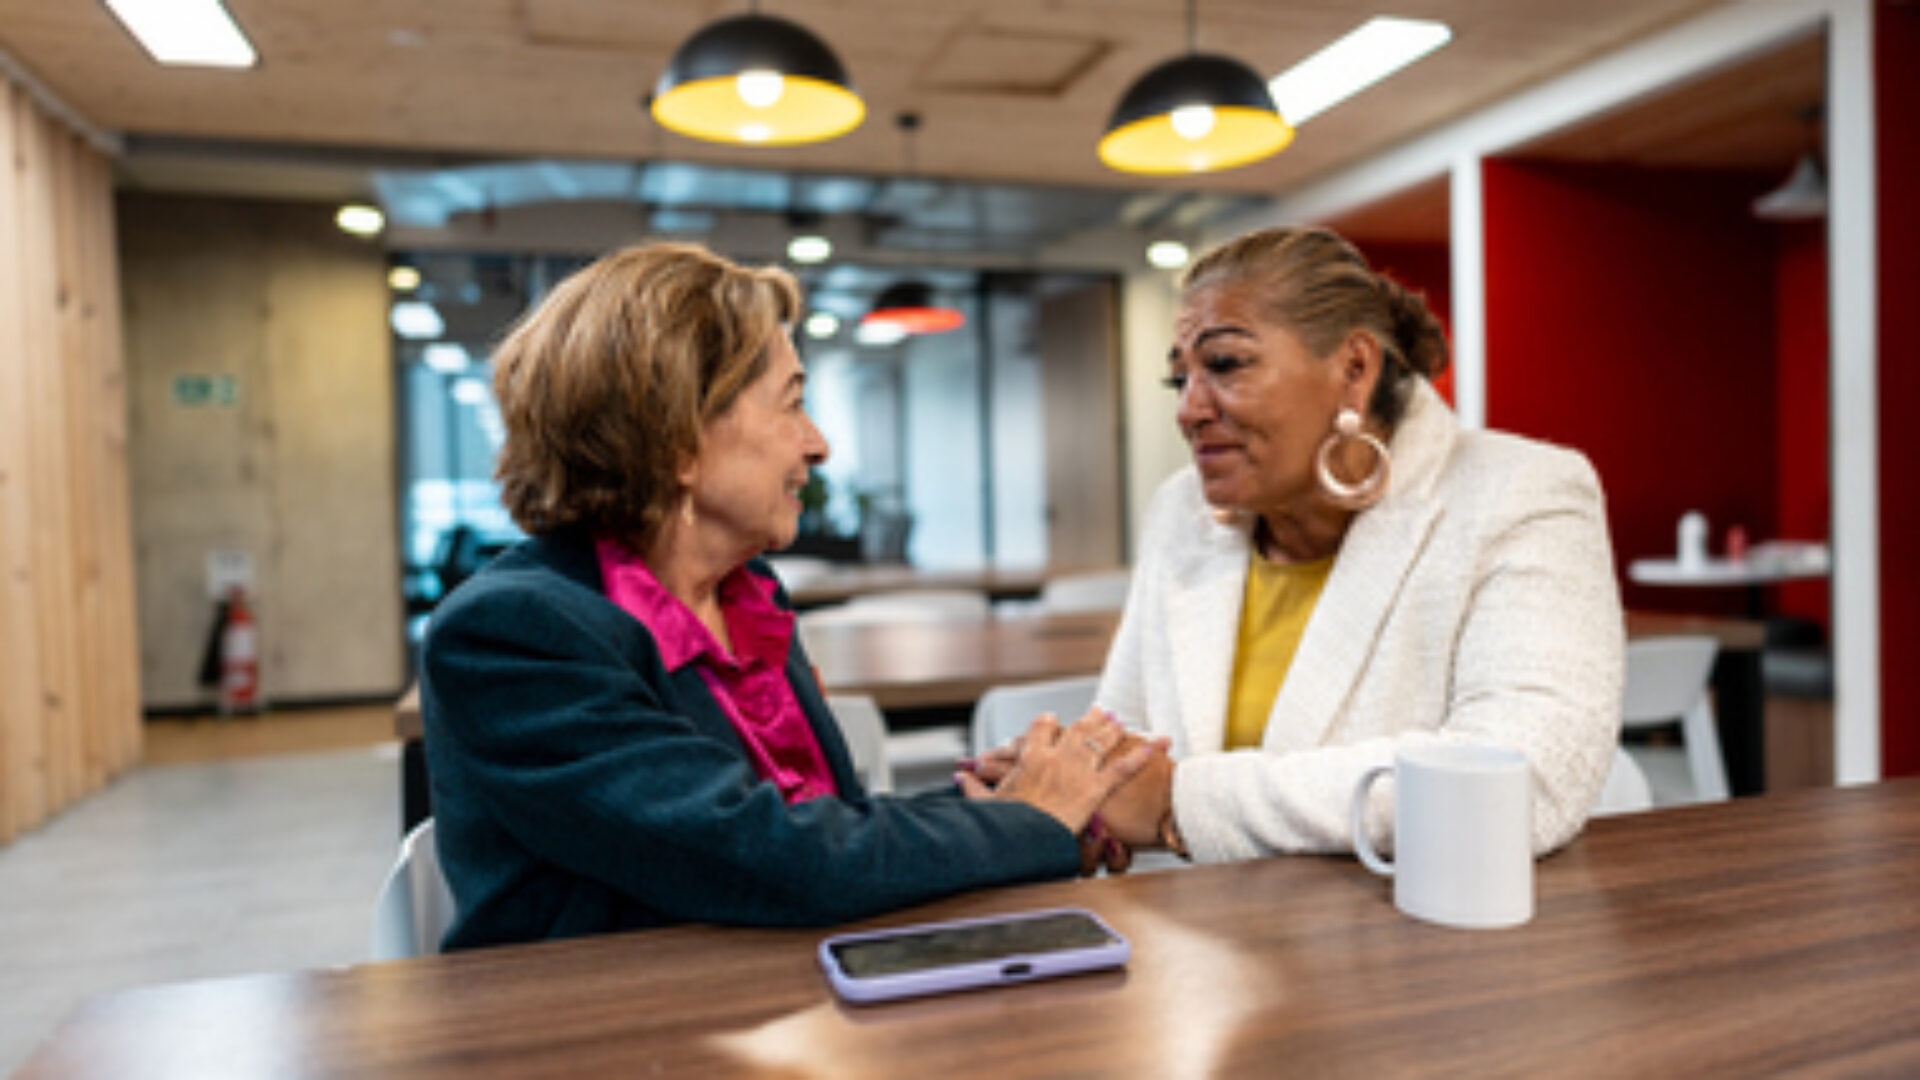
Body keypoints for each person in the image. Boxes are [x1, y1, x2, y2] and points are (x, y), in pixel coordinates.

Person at [421, 242, 1153, 950]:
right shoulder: (515, 631)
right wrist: (1028, 822)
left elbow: (819, 824)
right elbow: (771, 857)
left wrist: (1003, 802)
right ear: (677, 438)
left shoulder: (746, 595)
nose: (818, 444)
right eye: (791, 404)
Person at [1079, 226, 1623, 863]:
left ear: (1353, 370)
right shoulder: (1182, 508)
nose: (1188, 410)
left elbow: (1523, 781)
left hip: (1422, 945)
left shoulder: (1521, 493)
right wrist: (1069, 783)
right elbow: (1126, 734)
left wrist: (1180, 801)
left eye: (1224, 365)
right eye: (1180, 381)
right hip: (1208, 940)